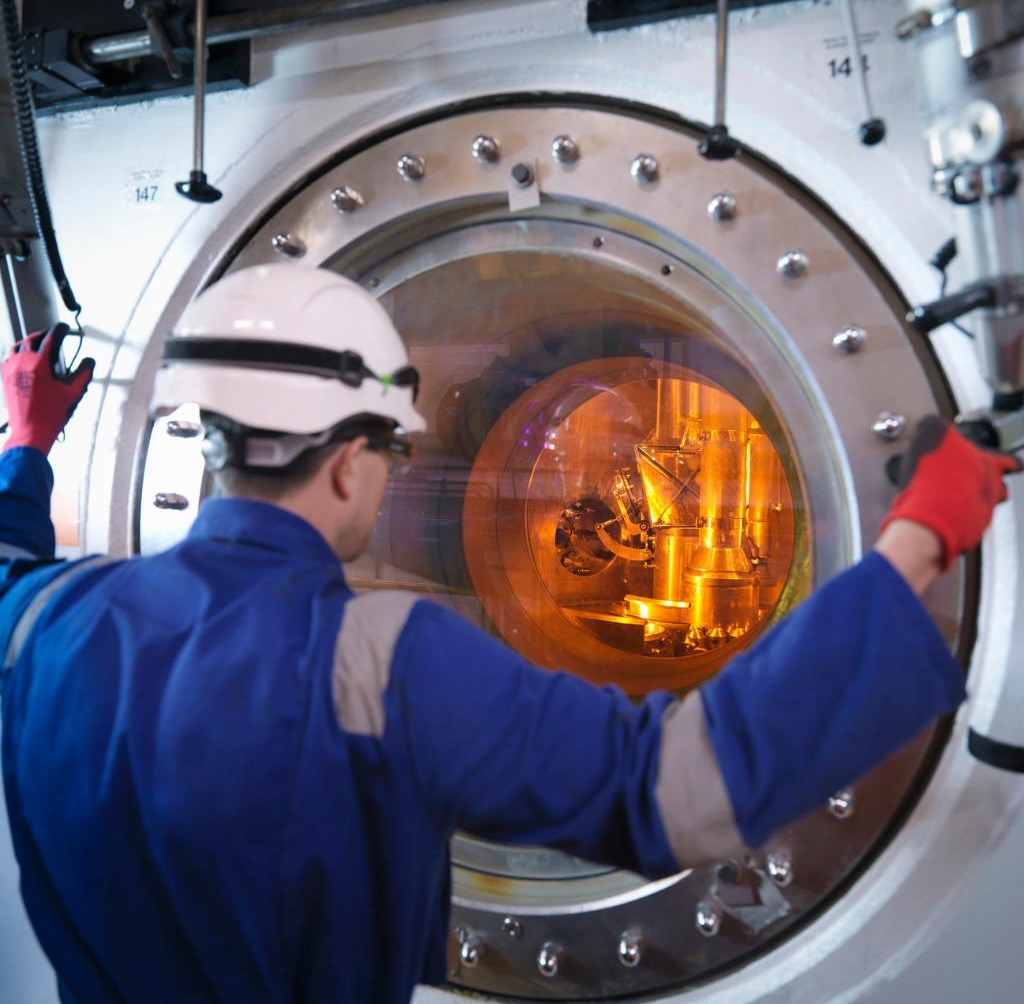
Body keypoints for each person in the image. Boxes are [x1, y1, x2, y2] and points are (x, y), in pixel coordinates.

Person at [0, 263, 1019, 1004]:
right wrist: (919, 540)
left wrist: (26, 445)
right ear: (351, 461)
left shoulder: (47, 622)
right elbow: (681, 788)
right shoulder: (380, 658)